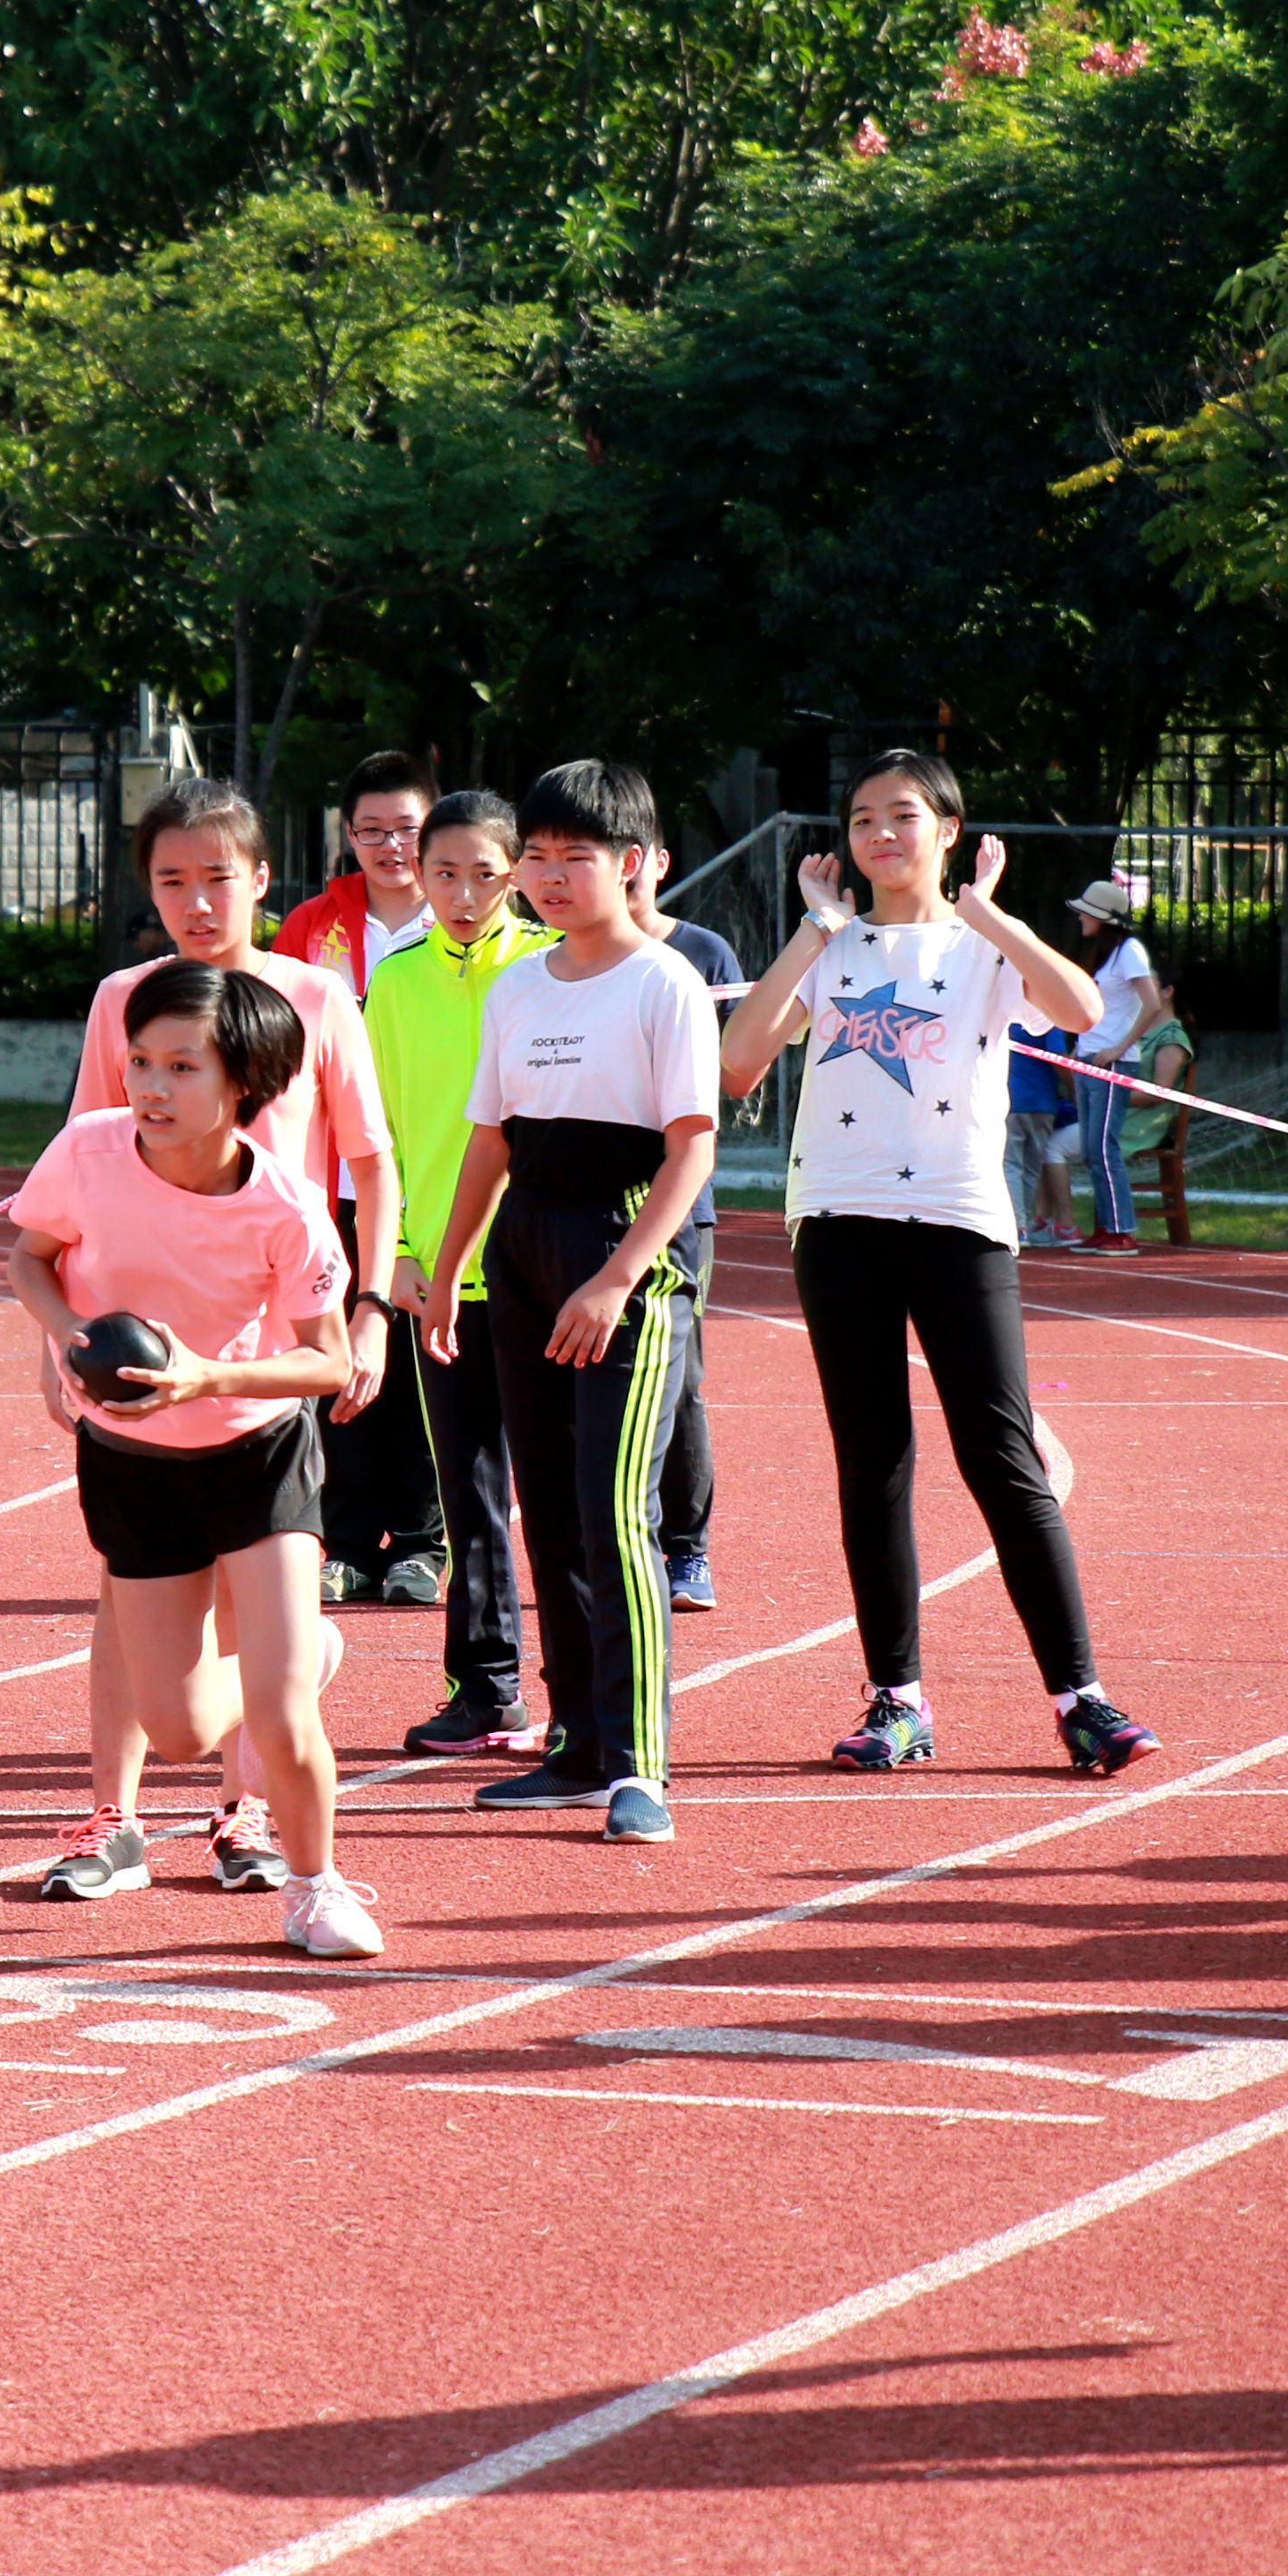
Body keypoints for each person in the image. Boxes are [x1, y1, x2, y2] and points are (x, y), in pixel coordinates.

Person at [719, 749, 1159, 1780]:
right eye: (863, 817)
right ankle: (896, 1698)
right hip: (838, 1216)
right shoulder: (830, 945)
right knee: (873, 1461)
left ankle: (1081, 1697)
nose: (882, 833)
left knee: (1003, 1459)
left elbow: (1085, 1015)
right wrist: (814, 927)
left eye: (905, 814)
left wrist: (992, 915)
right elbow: (739, 1059)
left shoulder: (984, 947)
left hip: (958, 1217)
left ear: (949, 829)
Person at [43, 775, 399, 1903]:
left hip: (263, 1344)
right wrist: (57, 1338)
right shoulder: (125, 1000)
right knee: (129, 1590)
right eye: (169, 881)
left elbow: (373, 1160)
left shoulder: (315, 996)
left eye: (216, 877)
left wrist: (370, 1307)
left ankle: (246, 1808)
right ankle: (114, 1814)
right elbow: (85, 1158)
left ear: (261, 878)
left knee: (257, 1597)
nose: (196, 902)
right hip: (133, 1347)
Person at [424, 760, 719, 1845]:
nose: (548, 876)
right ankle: (576, 1741)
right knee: (544, 1508)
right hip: (524, 1252)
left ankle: (639, 1759)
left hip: (621, 1253)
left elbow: (693, 1146)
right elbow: (490, 1138)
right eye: (535, 858)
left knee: (614, 1515)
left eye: (574, 857)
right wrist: (453, 1264)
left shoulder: (665, 981)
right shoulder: (519, 985)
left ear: (632, 863)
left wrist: (617, 1276)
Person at [364, 788, 554, 1755]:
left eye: (486, 872)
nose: (466, 892)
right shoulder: (393, 982)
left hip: (547, 1267)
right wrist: (396, 1250)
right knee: (468, 1488)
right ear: (415, 873)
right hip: (442, 1276)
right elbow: (380, 1134)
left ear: (517, 871)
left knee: (566, 1490)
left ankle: (591, 1693)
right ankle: (484, 1686)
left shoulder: (551, 969)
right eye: (446, 873)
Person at [274, 752, 446, 1611]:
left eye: (407, 828)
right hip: (330, 1180)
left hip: (434, 1178)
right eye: (371, 829)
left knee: (419, 1370)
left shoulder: (464, 921)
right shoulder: (314, 925)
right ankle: (343, 1539)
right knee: (338, 1362)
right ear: (348, 835)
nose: (390, 844)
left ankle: (420, 1541)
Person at [626, 823, 742, 1611]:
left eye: (637, 859)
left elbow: (733, 1074)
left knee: (680, 1376)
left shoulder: (703, 953)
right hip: (575, 1198)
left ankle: (685, 1549)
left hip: (678, 1202)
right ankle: (616, 1535)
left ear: (658, 862)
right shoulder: (554, 959)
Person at [1068, 878, 1166, 1255]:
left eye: (1086, 912)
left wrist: (1119, 1048)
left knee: (1103, 1146)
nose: (1079, 917)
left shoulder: (1130, 951)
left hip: (1113, 1063)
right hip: (1088, 1059)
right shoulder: (1106, 954)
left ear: (1104, 918)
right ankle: (1106, 1226)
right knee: (1091, 1149)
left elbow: (1152, 1003)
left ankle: (1122, 1230)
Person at [1005, 1022, 1078, 1248]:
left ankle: (1018, 1226)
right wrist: (1073, 1090)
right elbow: (1057, 1057)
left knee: (1011, 1165)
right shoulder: (1048, 1020)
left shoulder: (1010, 1019)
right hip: (1042, 1103)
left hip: (1011, 1100)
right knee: (1030, 1168)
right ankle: (1023, 1224)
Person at [1116, 962, 1194, 1172]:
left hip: (1135, 1125)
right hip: (1115, 1115)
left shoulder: (1172, 1038)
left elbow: (1159, 1092)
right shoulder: (1133, 1030)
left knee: (1054, 1146)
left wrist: (1107, 1098)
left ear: (1167, 992)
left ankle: (1060, 1207)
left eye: (1146, 983)